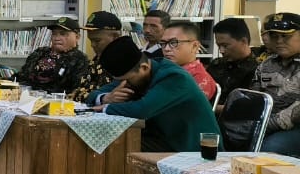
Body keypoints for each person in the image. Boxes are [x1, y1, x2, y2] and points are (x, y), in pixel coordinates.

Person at [88, 35, 219, 153]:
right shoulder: (134, 76)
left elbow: (142, 110)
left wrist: (106, 108)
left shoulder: (174, 77)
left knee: (115, 145)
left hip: (191, 148)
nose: (123, 84)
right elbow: (93, 95)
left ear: (144, 67)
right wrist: (106, 98)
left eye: (126, 79)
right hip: (160, 137)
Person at [253, 12, 300, 157]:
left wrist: (263, 126)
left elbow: (296, 113)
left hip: (294, 126)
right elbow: (254, 98)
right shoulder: (266, 65)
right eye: (274, 36)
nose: (279, 41)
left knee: (269, 147)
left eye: (286, 36)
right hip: (265, 125)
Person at [14, 16, 89, 95]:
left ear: (77, 37)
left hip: (54, 100)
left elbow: (74, 90)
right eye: (54, 34)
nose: (57, 38)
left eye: (63, 34)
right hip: (25, 96)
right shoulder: (40, 52)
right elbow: (21, 77)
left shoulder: (80, 59)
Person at [208, 16, 266, 106]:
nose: (221, 51)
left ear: (244, 41)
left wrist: (216, 108)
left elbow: (252, 105)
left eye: (225, 45)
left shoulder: (260, 69)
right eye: (219, 46)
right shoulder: (216, 65)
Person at [71, 10, 125, 102]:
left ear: (116, 37)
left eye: (97, 41)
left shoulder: (128, 63)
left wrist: (92, 97)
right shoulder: (96, 60)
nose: (92, 45)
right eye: (90, 40)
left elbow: (118, 97)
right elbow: (77, 93)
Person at [159, 20, 216, 102]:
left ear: (194, 46)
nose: (166, 49)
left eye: (173, 42)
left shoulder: (199, 78)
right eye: (163, 43)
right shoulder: (166, 69)